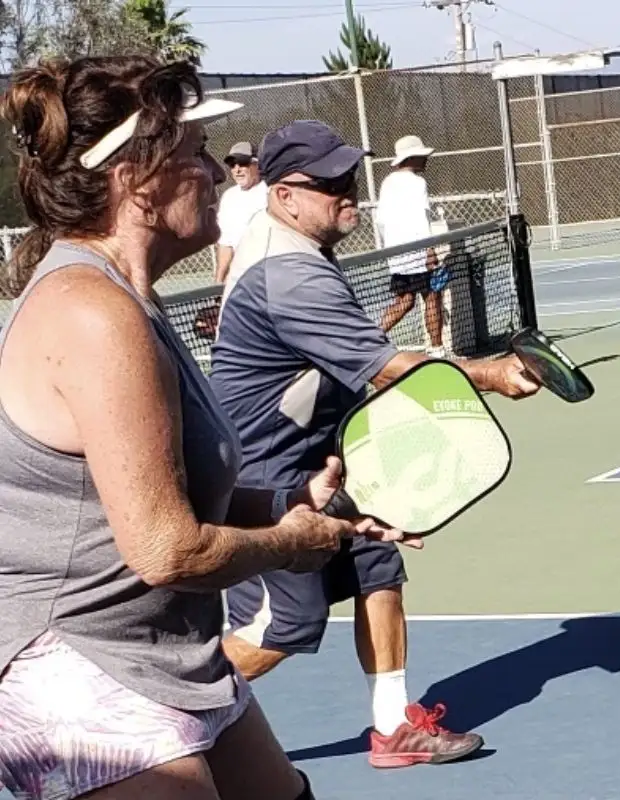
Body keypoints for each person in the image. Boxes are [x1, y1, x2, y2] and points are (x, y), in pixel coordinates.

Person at [0, 57, 393, 800]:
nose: (216, 172)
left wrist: (285, 503)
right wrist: (291, 546)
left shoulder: (131, 299)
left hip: (158, 648)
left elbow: (159, 492)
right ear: (135, 179)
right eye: (194, 154)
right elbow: (167, 549)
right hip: (71, 659)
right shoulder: (92, 314)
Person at [209, 119, 539, 770]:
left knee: (378, 569)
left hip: (326, 449)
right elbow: (384, 366)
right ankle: (145, 714)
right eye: (328, 182)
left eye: (348, 177)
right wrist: (490, 375)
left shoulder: (299, 245)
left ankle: (394, 729)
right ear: (284, 195)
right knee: (284, 626)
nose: (346, 191)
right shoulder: (288, 273)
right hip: (266, 472)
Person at [375, 134, 445, 353]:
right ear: (411, 158)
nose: (426, 160)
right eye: (421, 156)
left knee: (405, 301)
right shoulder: (418, 183)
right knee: (432, 297)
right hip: (417, 252)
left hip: (396, 253)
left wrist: (390, 250)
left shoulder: (387, 182)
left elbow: (381, 220)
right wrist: (429, 250)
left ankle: (370, 339)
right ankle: (437, 349)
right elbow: (420, 219)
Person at [214, 141, 268, 285]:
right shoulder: (229, 197)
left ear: (257, 164)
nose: (237, 170)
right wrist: (219, 282)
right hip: (242, 277)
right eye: (232, 165)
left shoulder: (271, 192)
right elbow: (226, 243)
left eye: (242, 163)